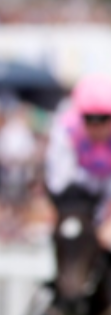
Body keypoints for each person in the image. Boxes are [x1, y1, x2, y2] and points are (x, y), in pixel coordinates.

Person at [45, 74, 111, 246]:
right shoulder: (66, 131)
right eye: (89, 119)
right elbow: (59, 182)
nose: (95, 126)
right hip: (81, 199)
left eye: (103, 119)